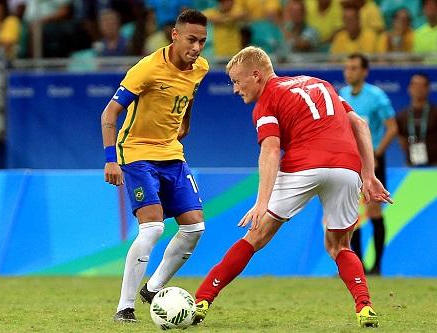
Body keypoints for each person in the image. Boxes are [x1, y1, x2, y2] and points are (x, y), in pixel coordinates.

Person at [192, 46, 393, 328]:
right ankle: (364, 307)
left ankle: (202, 299)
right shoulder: (318, 83)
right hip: (347, 167)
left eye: (238, 81)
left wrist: (262, 203)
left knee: (255, 237)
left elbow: (271, 150)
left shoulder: (266, 103)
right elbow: (359, 123)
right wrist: (369, 174)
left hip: (303, 164)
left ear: (257, 75)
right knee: (339, 246)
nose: (236, 89)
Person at [100, 9, 209, 322]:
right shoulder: (147, 68)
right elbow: (109, 115)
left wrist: (183, 124)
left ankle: (154, 288)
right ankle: (125, 307)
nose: (197, 47)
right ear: (174, 35)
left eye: (202, 41)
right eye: (191, 39)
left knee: (194, 227)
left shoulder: (200, 67)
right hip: (136, 153)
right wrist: (111, 160)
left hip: (172, 154)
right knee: (154, 227)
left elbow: (188, 97)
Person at [339, 53, 397, 275]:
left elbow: (392, 127)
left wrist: (377, 152)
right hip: (349, 161)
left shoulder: (376, 96)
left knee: (373, 211)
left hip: (371, 162)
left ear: (364, 71)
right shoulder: (342, 95)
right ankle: (359, 266)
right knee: (352, 214)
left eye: (354, 68)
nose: (349, 72)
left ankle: (377, 266)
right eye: (347, 68)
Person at [396, 73, 437, 166]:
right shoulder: (402, 115)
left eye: (422, 86)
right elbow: (402, 142)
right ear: (409, 88)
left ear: (428, 88)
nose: (418, 89)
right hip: (412, 166)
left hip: (436, 165)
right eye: (415, 85)